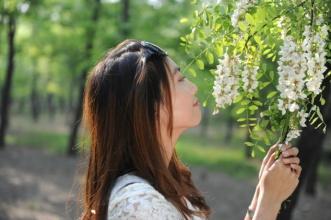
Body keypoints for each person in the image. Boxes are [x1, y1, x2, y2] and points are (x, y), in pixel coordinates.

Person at [80, 39, 301, 220]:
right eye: (180, 79)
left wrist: (263, 194)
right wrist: (270, 202)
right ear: (150, 107)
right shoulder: (139, 205)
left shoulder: (161, 186)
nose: (193, 87)